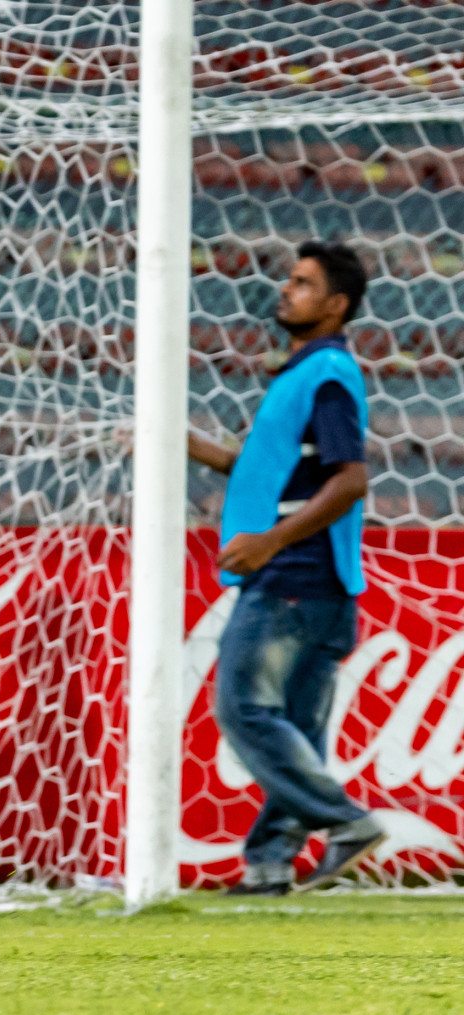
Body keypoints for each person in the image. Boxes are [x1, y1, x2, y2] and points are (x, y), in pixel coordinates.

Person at [189, 239, 385, 896]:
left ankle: (348, 821)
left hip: (293, 578)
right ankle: (271, 864)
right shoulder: (303, 374)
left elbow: (351, 480)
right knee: (296, 726)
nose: (286, 289)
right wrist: (172, 438)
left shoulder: (326, 373)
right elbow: (256, 470)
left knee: (244, 708)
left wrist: (268, 542)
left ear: (336, 304)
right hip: (322, 587)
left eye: (302, 282)